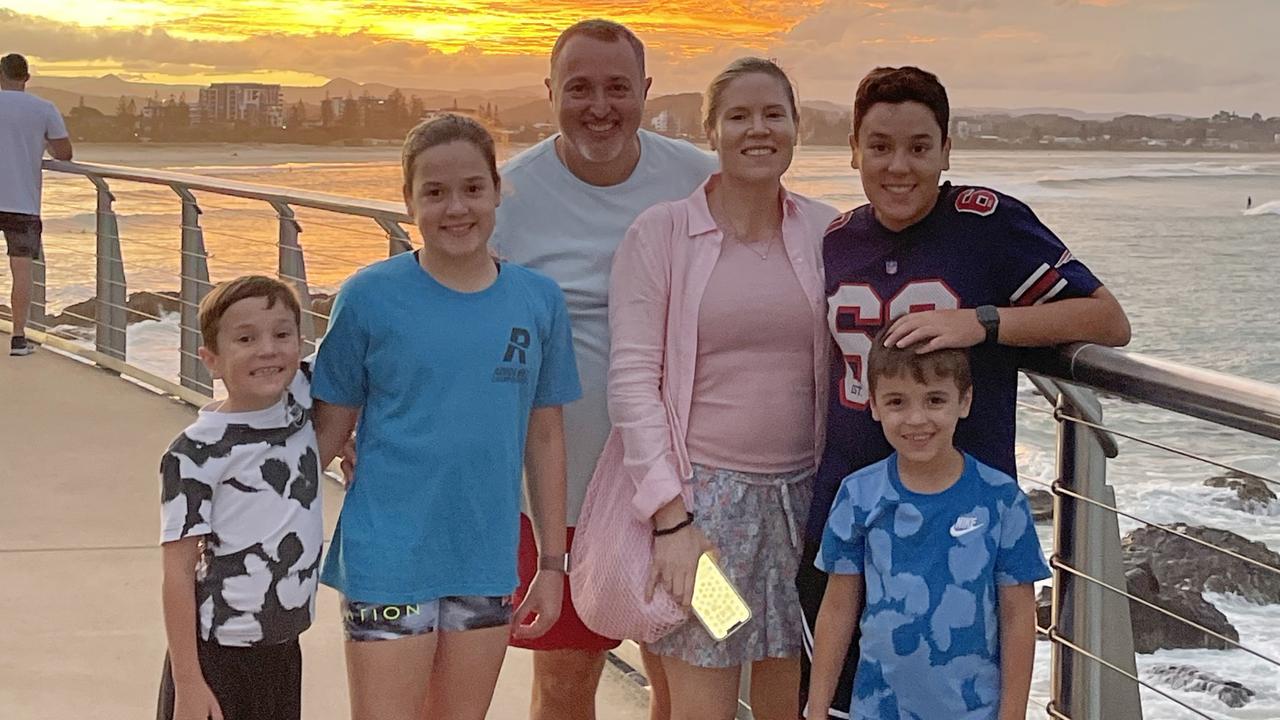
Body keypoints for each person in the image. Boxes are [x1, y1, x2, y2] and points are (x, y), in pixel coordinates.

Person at [797, 65, 1131, 718]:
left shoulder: (990, 225)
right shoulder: (837, 240)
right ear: (854, 151)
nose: (899, 166)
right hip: (850, 520)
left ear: (948, 150)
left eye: (920, 147)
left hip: (959, 534)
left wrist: (980, 321)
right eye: (880, 146)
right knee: (837, 703)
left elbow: (1107, 320)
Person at [311, 114, 581, 720]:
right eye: (434, 192)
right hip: (387, 558)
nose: (455, 208)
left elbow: (545, 435)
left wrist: (552, 564)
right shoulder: (368, 297)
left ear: (495, 192)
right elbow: (326, 431)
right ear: (409, 201)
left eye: (471, 188)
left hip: (485, 557)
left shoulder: (538, 301)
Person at [489, 19, 716, 720]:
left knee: (696, 671)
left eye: (618, 87)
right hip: (558, 498)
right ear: (549, 91)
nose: (600, 106)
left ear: (646, 91)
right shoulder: (509, 195)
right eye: (579, 87)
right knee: (564, 681)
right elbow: (444, 302)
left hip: (694, 494)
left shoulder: (699, 178)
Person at [605, 57, 837, 720]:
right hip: (709, 515)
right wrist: (671, 520)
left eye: (773, 114)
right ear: (711, 130)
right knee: (703, 699)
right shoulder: (663, 233)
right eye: (739, 116)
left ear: (797, 126)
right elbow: (631, 380)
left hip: (802, 508)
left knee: (785, 698)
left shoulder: (826, 232)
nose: (757, 130)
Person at [807, 333, 1049, 719]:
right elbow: (837, 608)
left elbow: (1019, 618)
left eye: (935, 399)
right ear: (873, 406)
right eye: (897, 402)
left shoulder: (1002, 499)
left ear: (964, 401)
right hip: (877, 708)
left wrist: (1013, 714)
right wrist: (816, 707)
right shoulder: (858, 495)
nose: (917, 419)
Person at [157, 275, 334, 720]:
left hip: (282, 645)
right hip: (217, 654)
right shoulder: (195, 451)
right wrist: (188, 684)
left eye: (282, 334)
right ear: (211, 361)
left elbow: (363, 348)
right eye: (245, 338)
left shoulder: (299, 397)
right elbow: (177, 574)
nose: (268, 350)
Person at [0, 53, 72, 356]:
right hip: (22, 202)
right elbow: (64, 152)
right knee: (22, 270)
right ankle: (18, 337)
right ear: (27, 77)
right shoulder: (44, 108)